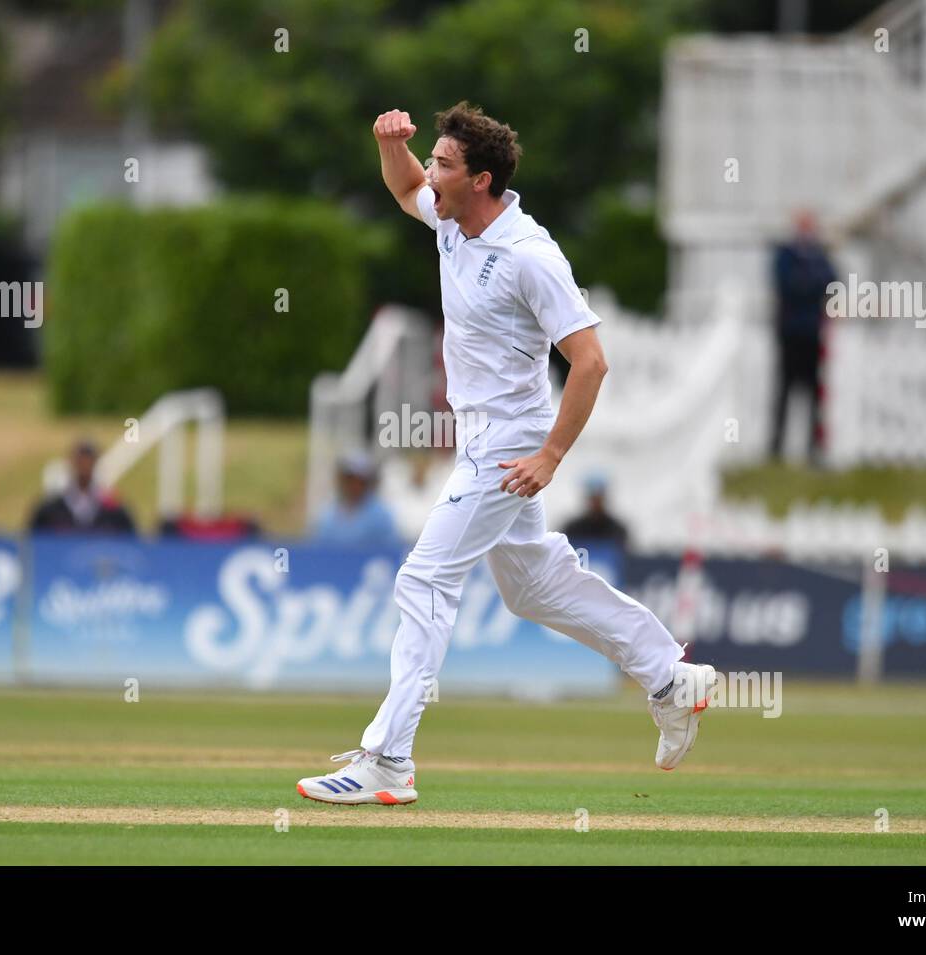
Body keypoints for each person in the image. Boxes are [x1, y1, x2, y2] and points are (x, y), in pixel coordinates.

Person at [295, 104, 716, 806]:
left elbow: (590, 361)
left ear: (481, 179)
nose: (430, 175)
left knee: (424, 580)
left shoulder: (530, 255)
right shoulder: (451, 219)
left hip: (512, 442)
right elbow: (402, 191)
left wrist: (551, 456)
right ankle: (670, 674)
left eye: (443, 165)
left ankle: (388, 759)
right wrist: (388, 144)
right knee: (532, 586)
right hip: (480, 437)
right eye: (430, 160)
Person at [770, 209, 836, 461]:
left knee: (814, 394)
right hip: (790, 333)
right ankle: (776, 448)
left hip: (812, 333)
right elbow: (789, 285)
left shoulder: (819, 256)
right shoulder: (786, 255)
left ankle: (813, 449)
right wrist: (811, 285)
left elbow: (831, 281)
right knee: (784, 391)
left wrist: (809, 284)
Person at [29, 440, 135, 534]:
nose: (84, 466)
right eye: (80, 460)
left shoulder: (113, 510)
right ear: (71, 462)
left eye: (89, 461)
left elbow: (131, 541)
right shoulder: (51, 510)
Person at [311, 450, 401, 547]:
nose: (354, 485)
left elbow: (389, 551)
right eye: (350, 479)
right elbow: (319, 548)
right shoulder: (328, 513)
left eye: (360, 480)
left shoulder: (381, 516)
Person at [560, 472, 629, 551]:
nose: (595, 503)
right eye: (593, 498)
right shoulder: (572, 529)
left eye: (598, 498)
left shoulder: (617, 530)